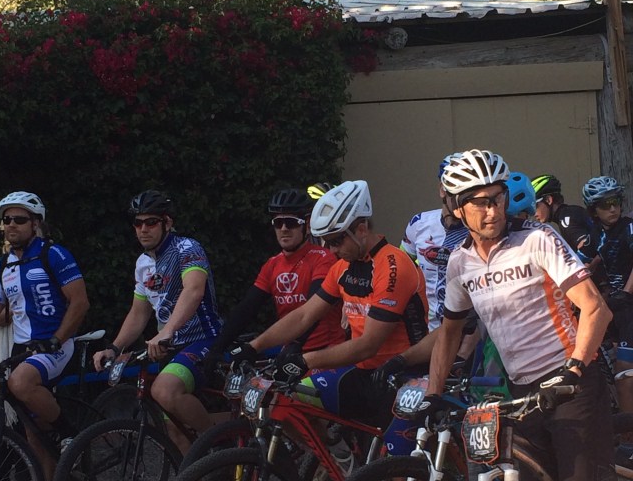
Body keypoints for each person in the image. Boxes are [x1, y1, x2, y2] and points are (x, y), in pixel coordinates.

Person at [418, 149, 633, 481]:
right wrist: (434, 397)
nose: (491, 210)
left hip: (573, 383)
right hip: (523, 393)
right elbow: (450, 331)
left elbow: (595, 307)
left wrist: (576, 368)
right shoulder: (460, 263)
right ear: (457, 208)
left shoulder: (537, 239)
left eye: (496, 199)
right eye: (478, 203)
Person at [233, 180, 429, 464]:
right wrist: (254, 346)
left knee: (397, 471)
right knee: (283, 402)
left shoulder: (392, 265)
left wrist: (306, 360)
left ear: (361, 229)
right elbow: (304, 315)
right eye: (325, 241)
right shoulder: (342, 267)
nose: (330, 249)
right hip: (363, 372)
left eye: (336, 240)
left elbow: (368, 344)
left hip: (404, 375)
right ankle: (339, 465)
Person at [92, 190, 222, 455]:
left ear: (167, 222)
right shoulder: (143, 263)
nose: (143, 229)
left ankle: (221, 444)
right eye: (137, 223)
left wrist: (168, 331)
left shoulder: (187, 248)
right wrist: (114, 348)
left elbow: (194, 290)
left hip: (203, 339)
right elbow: (139, 312)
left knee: (163, 390)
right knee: (174, 430)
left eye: (151, 222)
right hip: (169, 347)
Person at [0, 191, 90, 481]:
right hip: (23, 349)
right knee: (33, 433)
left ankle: (69, 433)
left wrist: (58, 338)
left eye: (19, 220)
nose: (11, 226)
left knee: (19, 383)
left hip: (55, 344)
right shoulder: (3, 267)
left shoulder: (53, 254)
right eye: (6, 220)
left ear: (36, 223)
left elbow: (79, 302)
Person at [204, 188, 345, 368]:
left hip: (325, 352)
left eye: (291, 222)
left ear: (308, 225)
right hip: (290, 352)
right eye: (278, 223)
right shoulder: (272, 264)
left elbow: (311, 311)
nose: (284, 228)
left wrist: (295, 344)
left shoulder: (324, 258)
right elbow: (246, 309)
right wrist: (216, 349)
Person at [579, 175, 633, 412]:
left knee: (624, 374)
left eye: (616, 202)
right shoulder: (597, 234)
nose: (613, 209)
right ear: (593, 210)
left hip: (628, 304)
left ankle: (627, 431)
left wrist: (627, 292)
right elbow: (583, 264)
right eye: (605, 204)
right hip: (616, 308)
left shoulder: (629, 227)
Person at [531, 173, 592, 252]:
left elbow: (587, 250)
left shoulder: (566, 219)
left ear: (548, 200)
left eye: (535, 206)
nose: (534, 213)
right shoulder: (570, 212)